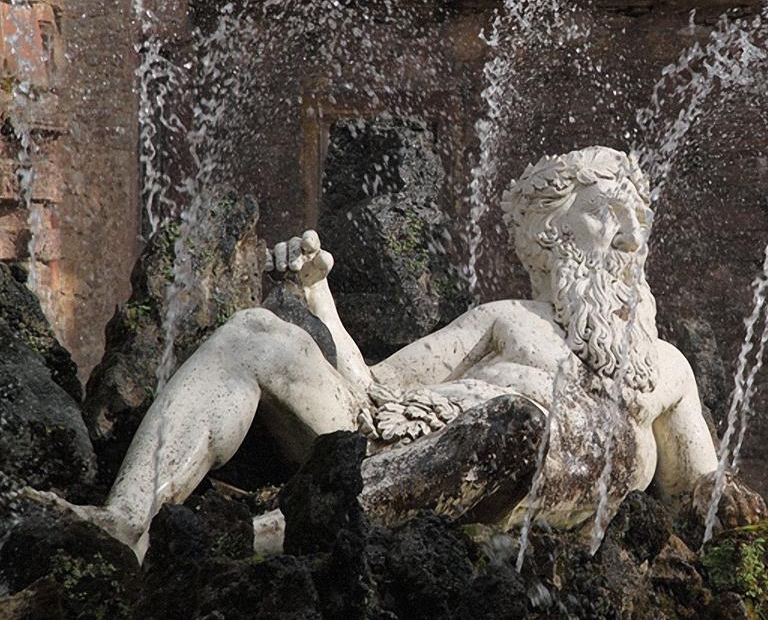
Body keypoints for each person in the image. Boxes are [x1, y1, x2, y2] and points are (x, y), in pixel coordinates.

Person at [27, 147, 757, 560]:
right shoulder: (503, 319)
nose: (631, 238)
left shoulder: (664, 370)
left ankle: (247, 544)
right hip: (394, 441)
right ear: (549, 237)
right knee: (255, 331)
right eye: (608, 216)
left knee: (518, 425)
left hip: (500, 479)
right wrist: (320, 301)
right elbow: (370, 393)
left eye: (639, 220)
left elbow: (702, 505)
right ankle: (126, 520)